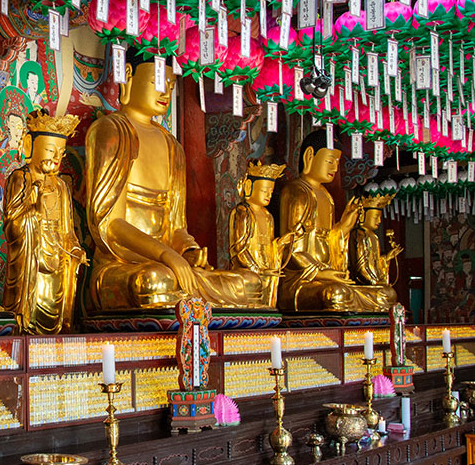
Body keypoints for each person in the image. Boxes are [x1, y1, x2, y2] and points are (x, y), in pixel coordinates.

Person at [84, 50, 263, 311]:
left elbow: (176, 227)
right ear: (128, 78)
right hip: (123, 267)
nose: (165, 93)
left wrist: (188, 252)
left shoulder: (172, 147)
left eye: (170, 85)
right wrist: (165, 254)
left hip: (170, 265)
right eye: (157, 83)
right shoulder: (112, 130)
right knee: (154, 281)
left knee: (249, 283)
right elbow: (112, 226)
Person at [278, 130, 384, 311]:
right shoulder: (297, 191)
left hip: (327, 277)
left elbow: (330, 241)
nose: (335, 168)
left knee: (384, 296)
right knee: (336, 294)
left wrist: (344, 227)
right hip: (301, 281)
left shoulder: (327, 197)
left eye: (337, 162)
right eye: (330, 161)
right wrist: (322, 273)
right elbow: (292, 250)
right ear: (309, 156)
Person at [3, 111, 86, 334]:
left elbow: (68, 229)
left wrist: (75, 248)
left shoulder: (61, 186)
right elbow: (12, 225)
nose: (57, 157)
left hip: (57, 255)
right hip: (32, 256)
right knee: (30, 313)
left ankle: (61, 331)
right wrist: (36, 208)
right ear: (30, 146)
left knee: (61, 297)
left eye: (61, 152)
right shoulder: (21, 177)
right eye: (50, 150)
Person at [228, 161, 294, 309]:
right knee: (252, 281)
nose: (269, 195)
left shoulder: (268, 216)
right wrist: (258, 270)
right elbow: (239, 249)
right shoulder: (243, 212)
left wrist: (280, 244)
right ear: (249, 187)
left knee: (272, 285)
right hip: (249, 270)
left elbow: (271, 246)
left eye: (271, 191)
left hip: (267, 267)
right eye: (265, 191)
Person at [350, 192, 401, 308]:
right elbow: (361, 267)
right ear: (363, 216)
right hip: (364, 284)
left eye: (379, 218)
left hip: (375, 284)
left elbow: (376, 263)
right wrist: (374, 282)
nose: (379, 221)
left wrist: (386, 258)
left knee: (390, 293)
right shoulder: (358, 234)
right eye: (375, 217)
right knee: (384, 294)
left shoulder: (374, 237)